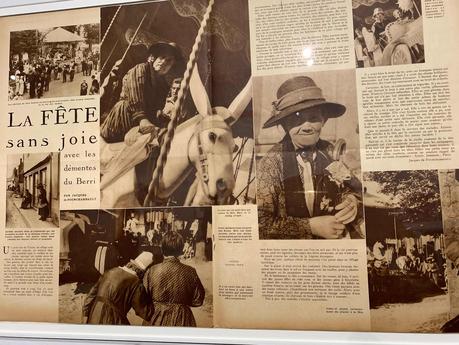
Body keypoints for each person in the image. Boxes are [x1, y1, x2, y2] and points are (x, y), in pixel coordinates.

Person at [257, 76, 363, 240]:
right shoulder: (271, 162)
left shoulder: (329, 151)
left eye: (313, 118)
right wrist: (311, 227)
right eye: (297, 119)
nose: (307, 127)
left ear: (323, 120)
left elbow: (355, 189)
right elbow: (261, 225)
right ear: (285, 125)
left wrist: (351, 202)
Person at [100, 42, 185, 144]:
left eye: (169, 61)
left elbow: (156, 108)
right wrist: (142, 119)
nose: (163, 62)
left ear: (171, 66)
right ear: (154, 58)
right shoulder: (140, 69)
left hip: (141, 125)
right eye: (162, 57)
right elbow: (135, 96)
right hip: (122, 119)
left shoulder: (163, 85)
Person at [143, 231, 205, 327]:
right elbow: (198, 300)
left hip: (156, 319)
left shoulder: (152, 270)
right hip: (182, 319)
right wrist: (181, 303)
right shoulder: (190, 271)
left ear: (162, 249)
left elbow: (143, 298)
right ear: (181, 250)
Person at [82, 251, 155, 325]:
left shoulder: (109, 272)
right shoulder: (136, 282)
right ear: (143, 272)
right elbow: (144, 311)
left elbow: (90, 296)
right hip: (112, 318)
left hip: (94, 314)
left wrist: (85, 315)